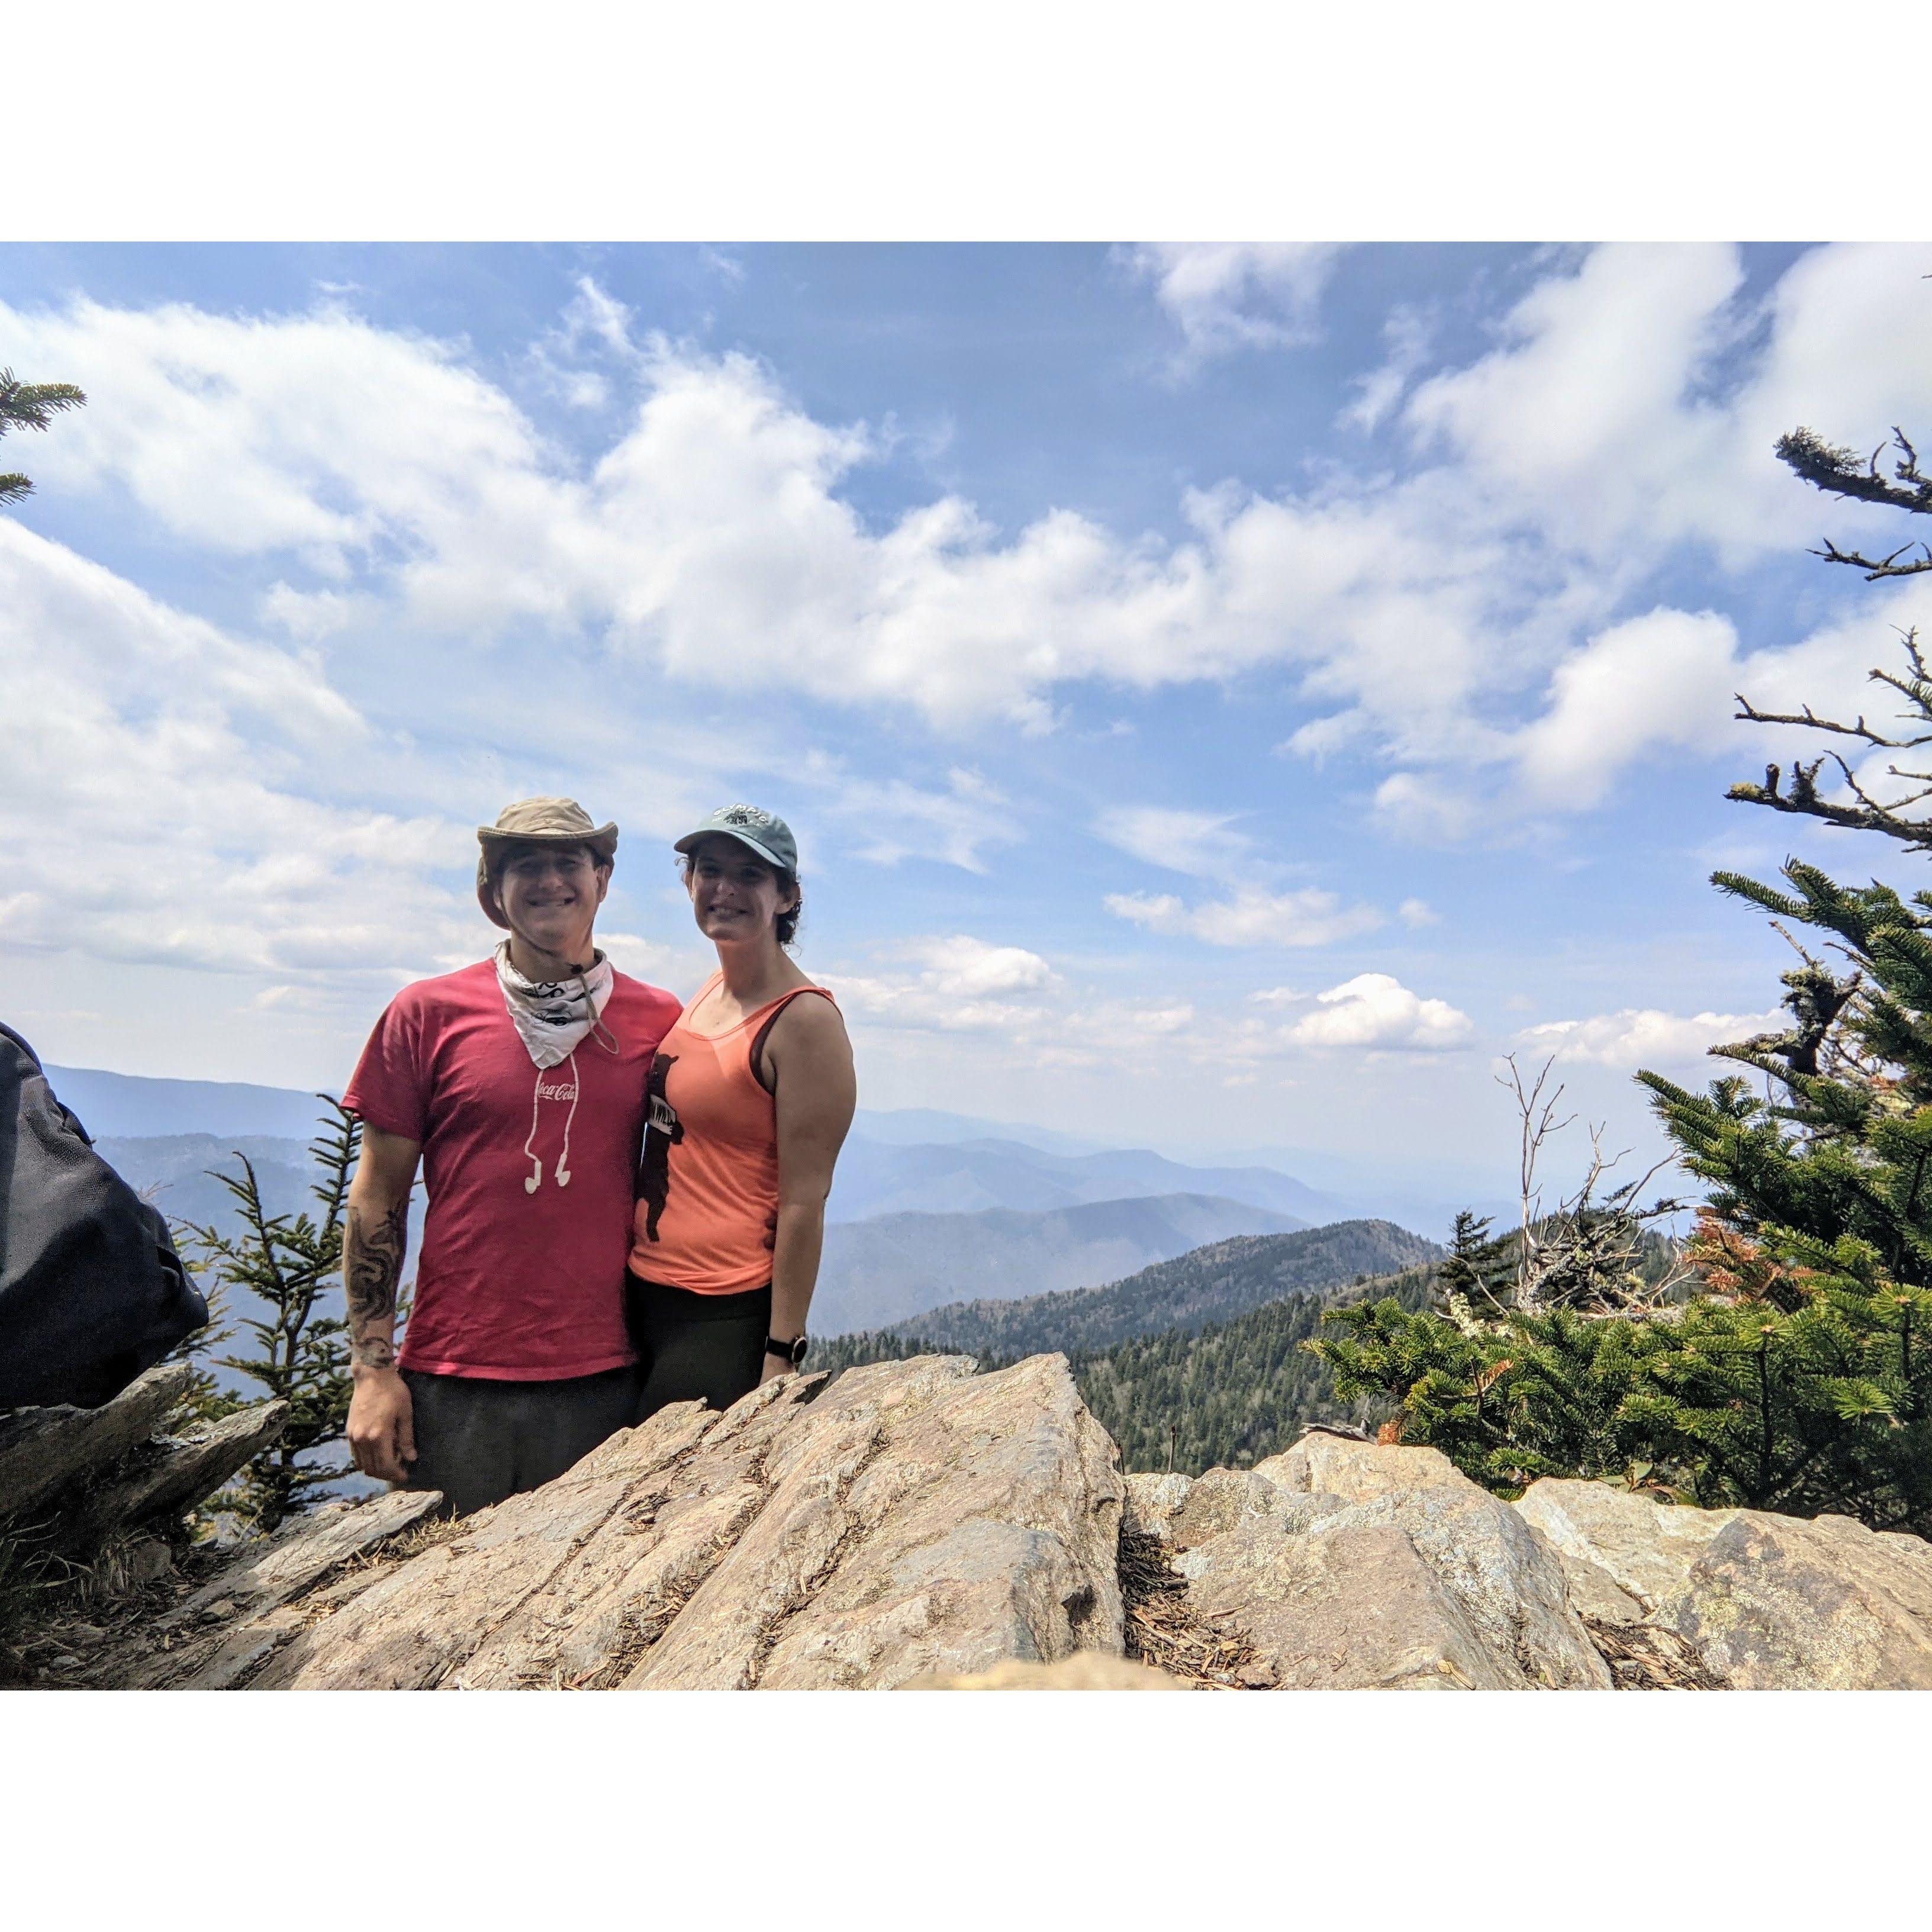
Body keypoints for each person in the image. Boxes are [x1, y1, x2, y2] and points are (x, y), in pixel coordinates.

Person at [339, 797, 681, 1516]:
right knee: (439, 1609)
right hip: (449, 1380)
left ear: (604, 880)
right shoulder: (426, 1013)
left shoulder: (659, 1021)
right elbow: (378, 1198)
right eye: (525, 864)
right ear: (492, 891)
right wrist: (373, 1369)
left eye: (570, 861)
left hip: (606, 1377)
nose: (549, 879)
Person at [628, 804, 856, 1418]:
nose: (724, 890)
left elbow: (804, 1202)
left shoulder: (804, 1022)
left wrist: (781, 1353)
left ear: (786, 896)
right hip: (644, 1292)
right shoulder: (709, 988)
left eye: (750, 876)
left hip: (723, 1313)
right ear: (689, 881)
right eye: (710, 870)